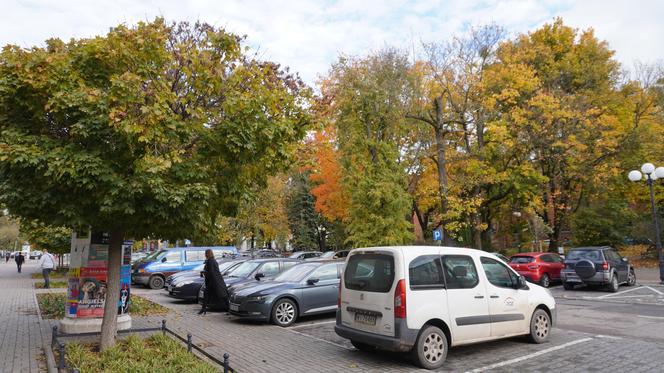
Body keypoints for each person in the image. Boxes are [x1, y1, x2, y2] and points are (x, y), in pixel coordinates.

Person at [199, 249, 229, 315]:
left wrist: (203, 272)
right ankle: (203, 309)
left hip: (214, 281)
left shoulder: (210, 261)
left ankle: (229, 309)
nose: (205, 255)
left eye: (206, 253)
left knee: (222, 295)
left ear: (208, 254)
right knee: (207, 294)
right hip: (215, 281)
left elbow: (211, 272)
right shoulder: (212, 260)